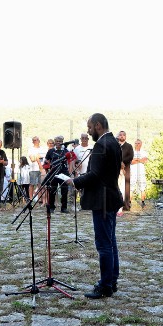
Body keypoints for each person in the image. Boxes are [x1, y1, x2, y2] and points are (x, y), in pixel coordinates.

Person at [65, 113, 123, 299]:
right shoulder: (113, 142)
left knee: (104, 244)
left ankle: (105, 285)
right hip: (112, 198)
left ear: (98, 125)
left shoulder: (101, 145)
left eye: (90, 128)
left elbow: (95, 175)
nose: (88, 132)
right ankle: (112, 280)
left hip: (102, 200)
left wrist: (74, 181)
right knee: (111, 241)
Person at [44, 136, 69, 213]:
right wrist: (47, 170)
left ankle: (64, 207)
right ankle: (51, 207)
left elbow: (69, 161)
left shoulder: (66, 150)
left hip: (63, 173)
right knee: (52, 190)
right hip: (53, 173)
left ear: (62, 142)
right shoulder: (51, 151)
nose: (58, 143)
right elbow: (46, 161)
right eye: (57, 141)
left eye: (60, 141)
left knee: (64, 190)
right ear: (55, 142)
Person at [118, 131, 134, 211]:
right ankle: (116, 204)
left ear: (125, 137)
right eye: (120, 135)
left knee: (126, 187)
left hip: (126, 168)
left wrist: (123, 162)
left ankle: (126, 205)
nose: (122, 136)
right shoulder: (115, 145)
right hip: (116, 169)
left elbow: (131, 156)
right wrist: (119, 162)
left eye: (123, 135)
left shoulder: (129, 146)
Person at [131, 139, 148, 208]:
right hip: (133, 172)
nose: (137, 144)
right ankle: (129, 202)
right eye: (136, 143)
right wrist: (140, 160)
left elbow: (145, 161)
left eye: (138, 143)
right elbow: (131, 162)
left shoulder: (144, 152)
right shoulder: (131, 152)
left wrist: (136, 159)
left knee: (143, 187)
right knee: (131, 188)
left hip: (141, 172)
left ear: (141, 144)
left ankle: (143, 202)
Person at [28, 136, 45, 200]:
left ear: (39, 141)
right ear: (32, 142)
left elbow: (44, 157)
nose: (36, 141)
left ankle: (40, 198)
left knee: (40, 184)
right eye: (34, 140)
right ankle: (31, 198)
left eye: (37, 140)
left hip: (41, 168)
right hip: (33, 168)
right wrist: (38, 157)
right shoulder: (31, 149)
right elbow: (32, 159)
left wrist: (36, 157)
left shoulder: (43, 149)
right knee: (32, 184)